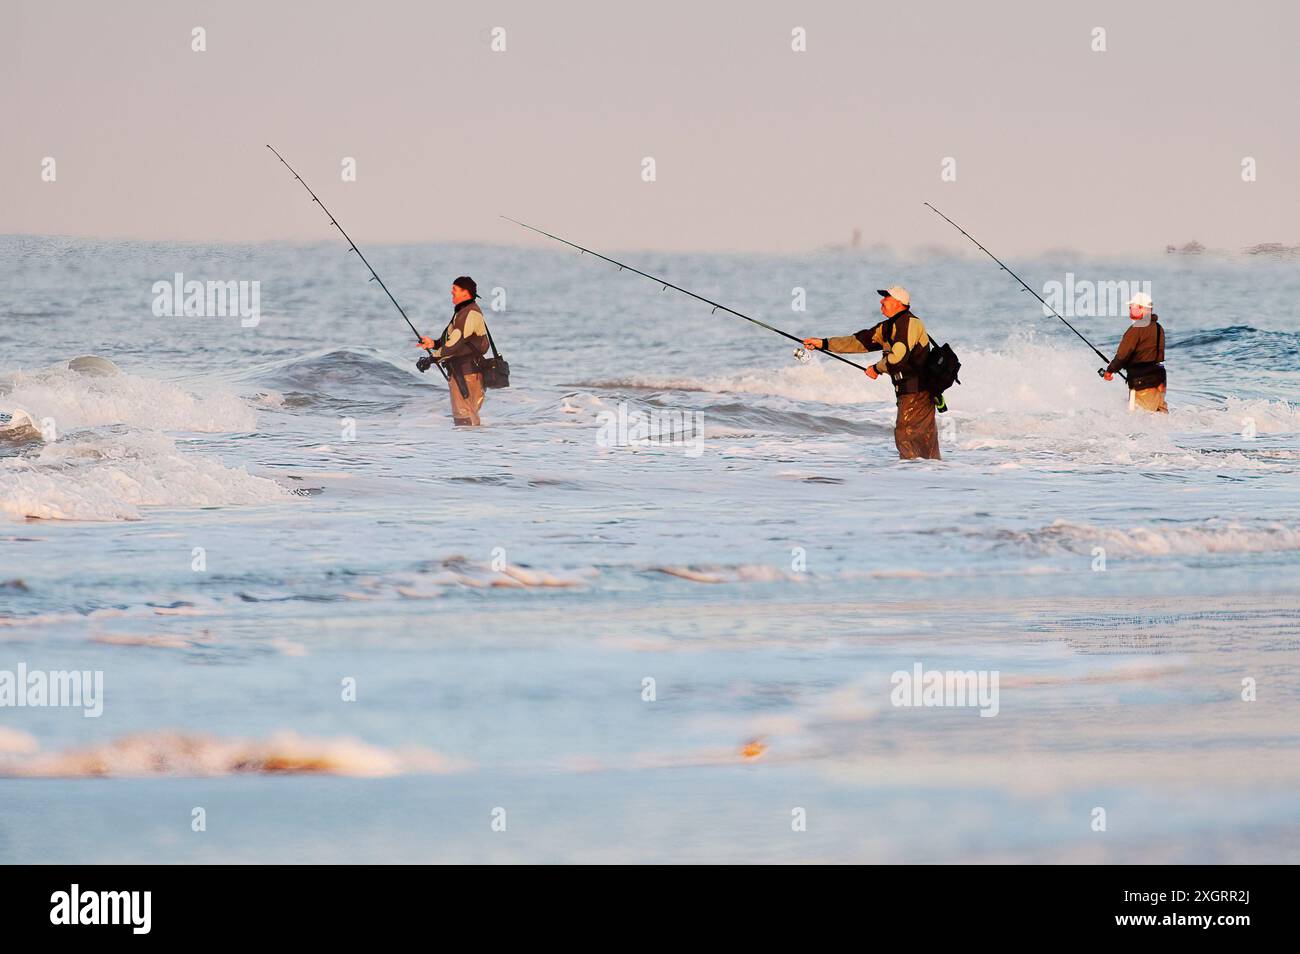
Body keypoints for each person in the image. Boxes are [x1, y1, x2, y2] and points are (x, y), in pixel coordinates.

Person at [803, 286, 940, 460]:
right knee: (923, 441)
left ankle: (911, 480)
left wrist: (876, 368)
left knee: (905, 435)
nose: (881, 301)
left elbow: (898, 356)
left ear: (899, 303)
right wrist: (823, 343)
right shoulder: (889, 326)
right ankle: (932, 477)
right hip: (913, 392)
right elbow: (857, 342)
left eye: (886, 298)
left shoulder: (908, 323)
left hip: (917, 392)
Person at [418, 276, 490, 426]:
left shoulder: (468, 313)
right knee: (469, 418)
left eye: (455, 291)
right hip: (468, 374)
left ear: (465, 293)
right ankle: (476, 447)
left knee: (464, 420)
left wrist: (430, 360)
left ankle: (468, 448)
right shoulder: (464, 311)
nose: (452, 294)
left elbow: (454, 346)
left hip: (466, 375)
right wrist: (434, 343)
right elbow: (452, 342)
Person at [1103, 292, 1168, 413]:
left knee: (1140, 419)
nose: (1129, 310)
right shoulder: (1159, 327)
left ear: (1142, 308)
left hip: (1142, 382)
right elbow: (1157, 355)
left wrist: (1110, 370)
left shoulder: (1137, 328)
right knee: (1161, 416)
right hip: (1160, 379)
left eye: (1132, 307)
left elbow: (1123, 355)